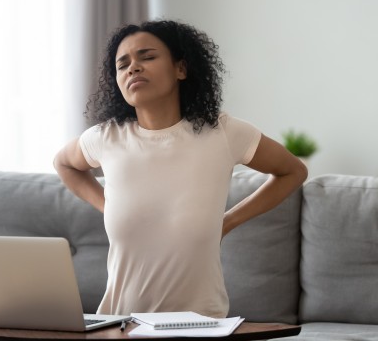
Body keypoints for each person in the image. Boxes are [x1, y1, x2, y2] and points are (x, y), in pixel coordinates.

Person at [53, 20, 307, 318]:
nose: (133, 67)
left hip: (201, 325)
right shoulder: (106, 137)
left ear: (181, 69)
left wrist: (227, 221)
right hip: (119, 324)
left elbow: (293, 171)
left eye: (147, 57)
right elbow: (64, 163)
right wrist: (106, 205)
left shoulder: (222, 132)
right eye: (122, 65)